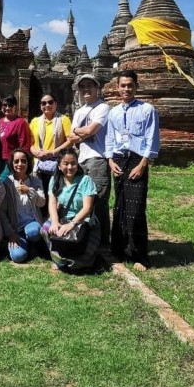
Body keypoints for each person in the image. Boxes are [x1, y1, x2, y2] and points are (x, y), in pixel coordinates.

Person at [104, 70, 160, 272]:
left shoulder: (147, 110)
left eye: (130, 85)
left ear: (136, 87)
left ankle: (140, 255)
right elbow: (110, 138)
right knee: (119, 206)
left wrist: (143, 164)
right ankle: (118, 249)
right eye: (123, 85)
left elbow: (152, 138)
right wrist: (110, 160)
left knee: (136, 208)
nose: (126, 89)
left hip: (137, 159)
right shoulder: (114, 112)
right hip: (119, 159)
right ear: (117, 88)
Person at [69, 74, 112, 265]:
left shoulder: (103, 107)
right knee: (83, 201)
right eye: (82, 87)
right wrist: (81, 132)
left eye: (89, 86)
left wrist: (81, 131)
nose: (86, 89)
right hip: (82, 159)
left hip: (98, 159)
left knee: (99, 202)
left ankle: (103, 243)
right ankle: (87, 239)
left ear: (97, 88)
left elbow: (89, 131)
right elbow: (71, 137)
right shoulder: (79, 111)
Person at [41, 149, 100, 271]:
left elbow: (87, 208)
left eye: (73, 163)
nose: (70, 167)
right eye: (65, 163)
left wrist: (72, 224)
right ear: (59, 165)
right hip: (63, 219)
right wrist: (55, 222)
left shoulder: (85, 180)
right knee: (45, 228)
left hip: (83, 222)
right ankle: (61, 259)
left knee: (81, 263)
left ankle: (72, 260)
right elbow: (52, 203)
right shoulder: (55, 180)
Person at [30, 93, 72, 209]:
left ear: (55, 104)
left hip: (56, 163)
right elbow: (30, 143)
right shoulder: (35, 121)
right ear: (40, 106)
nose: (47, 105)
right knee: (40, 194)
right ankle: (42, 220)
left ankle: (54, 219)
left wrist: (52, 152)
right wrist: (35, 152)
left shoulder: (64, 120)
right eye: (43, 103)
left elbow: (70, 141)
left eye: (50, 102)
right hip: (38, 164)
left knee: (55, 194)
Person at [3, 148, 45, 263]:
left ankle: (34, 244)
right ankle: (24, 246)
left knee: (33, 232)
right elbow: (2, 211)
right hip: (16, 228)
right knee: (18, 257)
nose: (20, 164)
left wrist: (30, 191)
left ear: (28, 163)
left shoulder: (35, 180)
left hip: (32, 223)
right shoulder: (7, 183)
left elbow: (42, 203)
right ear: (12, 163)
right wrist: (10, 233)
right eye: (16, 161)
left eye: (23, 161)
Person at [0, 95, 32, 181]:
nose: (7, 108)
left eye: (10, 105)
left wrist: (20, 164)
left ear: (15, 107)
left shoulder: (20, 122)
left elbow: (24, 146)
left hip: (12, 162)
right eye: (5, 105)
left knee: (1, 182)